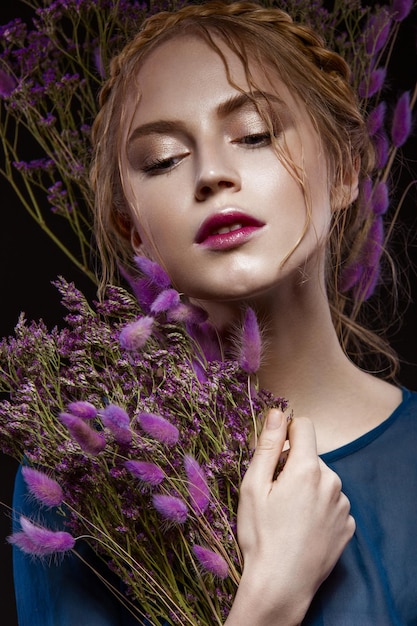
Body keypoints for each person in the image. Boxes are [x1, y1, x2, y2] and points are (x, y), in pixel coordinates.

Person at [12, 1, 417, 624]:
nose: (211, 174)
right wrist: (271, 598)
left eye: (254, 134)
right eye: (163, 160)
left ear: (344, 170)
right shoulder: (83, 479)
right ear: (133, 231)